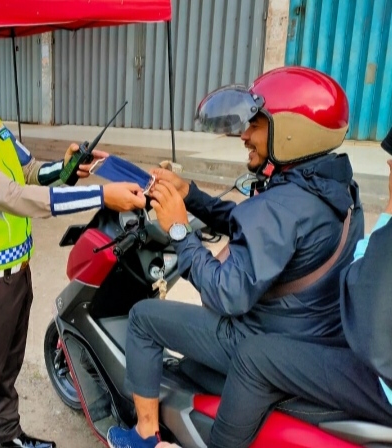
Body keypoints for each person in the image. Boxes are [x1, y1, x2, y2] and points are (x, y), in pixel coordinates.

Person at [0, 19, 147, 448]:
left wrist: (73, 167)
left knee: (7, 369)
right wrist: (100, 196)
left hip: (16, 273)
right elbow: (13, 196)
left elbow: (29, 171)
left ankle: (6, 436)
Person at [106, 66, 364, 448]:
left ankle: (143, 436)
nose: (244, 134)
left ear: (292, 131)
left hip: (260, 335)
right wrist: (190, 194)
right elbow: (252, 226)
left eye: (256, 125)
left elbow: (226, 293)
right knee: (189, 365)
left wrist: (179, 229)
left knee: (144, 318)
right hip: (311, 332)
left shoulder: (280, 206)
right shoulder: (332, 186)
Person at [204, 127, 392, 448]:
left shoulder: (297, 200)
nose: (244, 135)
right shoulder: (341, 191)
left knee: (255, 356)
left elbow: (364, 308)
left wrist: (180, 232)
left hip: (383, 382)